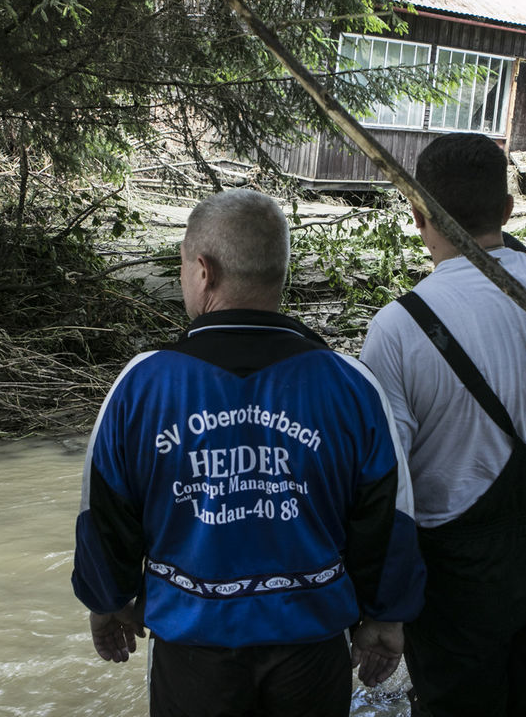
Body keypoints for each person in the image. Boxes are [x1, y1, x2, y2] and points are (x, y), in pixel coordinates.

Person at [72, 188, 426, 717]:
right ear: (279, 272)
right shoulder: (350, 384)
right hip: (312, 644)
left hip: (194, 650)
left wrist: (108, 599)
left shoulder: (142, 386)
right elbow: (389, 516)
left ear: (204, 271)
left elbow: (104, 511)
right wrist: (386, 617)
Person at [359, 134, 526, 717]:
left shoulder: (398, 327)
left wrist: (382, 606)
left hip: (460, 565)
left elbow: (387, 484)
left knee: (457, 706)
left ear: (417, 213)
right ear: (508, 209)